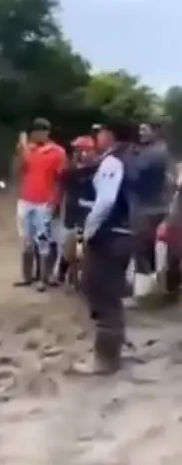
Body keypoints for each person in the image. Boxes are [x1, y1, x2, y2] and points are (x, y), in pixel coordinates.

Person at [82, 121, 134, 374]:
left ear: (110, 135)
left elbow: (106, 201)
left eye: (101, 132)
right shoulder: (130, 158)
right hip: (124, 234)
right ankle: (112, 353)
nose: (98, 136)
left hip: (109, 236)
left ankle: (106, 360)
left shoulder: (113, 162)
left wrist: (88, 231)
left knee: (102, 294)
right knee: (111, 294)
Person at [15, 118, 66, 291]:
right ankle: (27, 277)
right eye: (34, 132)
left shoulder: (57, 152)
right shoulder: (29, 150)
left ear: (47, 132)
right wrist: (22, 150)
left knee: (44, 241)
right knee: (27, 240)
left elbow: (61, 179)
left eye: (40, 131)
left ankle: (43, 278)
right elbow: (18, 169)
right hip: (26, 200)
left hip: (44, 201)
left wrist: (56, 201)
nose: (37, 135)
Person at [128, 121, 175, 299]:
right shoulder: (162, 151)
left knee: (142, 249)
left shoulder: (154, 153)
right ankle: (152, 288)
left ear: (155, 131)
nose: (141, 133)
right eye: (139, 129)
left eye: (144, 130)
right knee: (149, 250)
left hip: (148, 208)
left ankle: (144, 292)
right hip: (155, 206)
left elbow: (133, 174)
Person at [56, 135, 97, 288]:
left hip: (86, 214)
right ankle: (64, 273)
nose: (77, 153)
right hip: (72, 212)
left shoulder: (96, 169)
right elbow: (63, 178)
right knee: (68, 246)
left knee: (80, 248)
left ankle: (77, 278)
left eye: (80, 150)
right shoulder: (70, 170)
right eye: (76, 150)